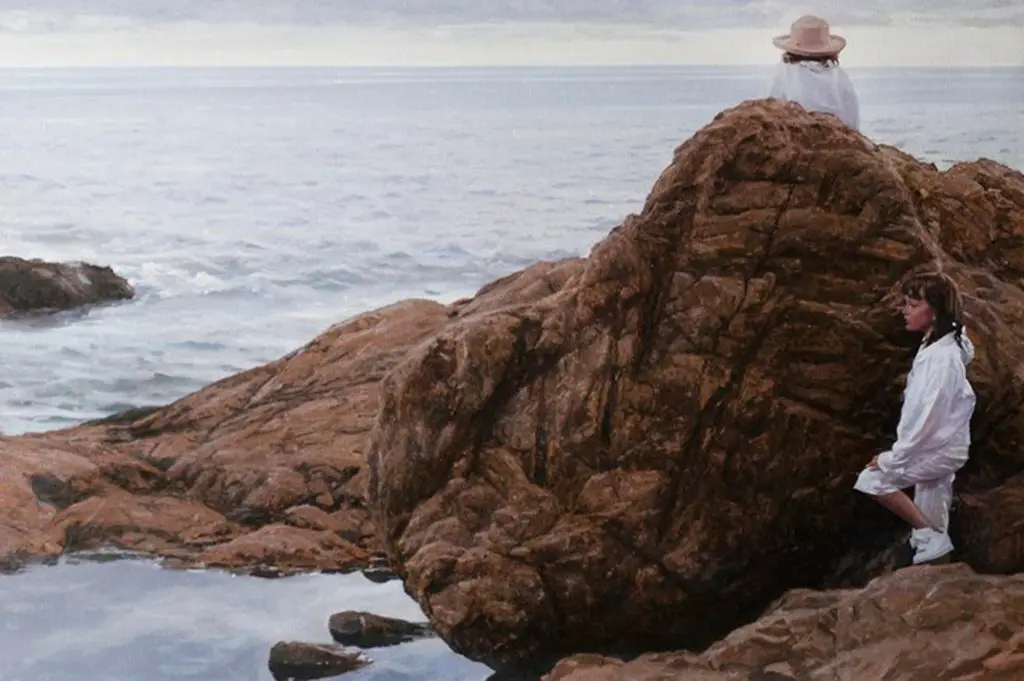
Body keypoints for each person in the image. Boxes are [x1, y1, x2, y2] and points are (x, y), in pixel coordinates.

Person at [853, 272, 976, 565]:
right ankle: (936, 560)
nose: (904, 310)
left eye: (912, 304)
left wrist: (892, 458)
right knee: (934, 516)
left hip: (937, 449)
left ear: (934, 311)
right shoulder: (941, 344)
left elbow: (927, 419)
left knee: (872, 479)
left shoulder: (941, 358)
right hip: (942, 446)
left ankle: (930, 537)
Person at [768, 15, 860, 131]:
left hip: (795, 138)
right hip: (837, 140)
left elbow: (772, 112)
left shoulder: (784, 72)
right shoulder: (840, 76)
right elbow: (852, 121)